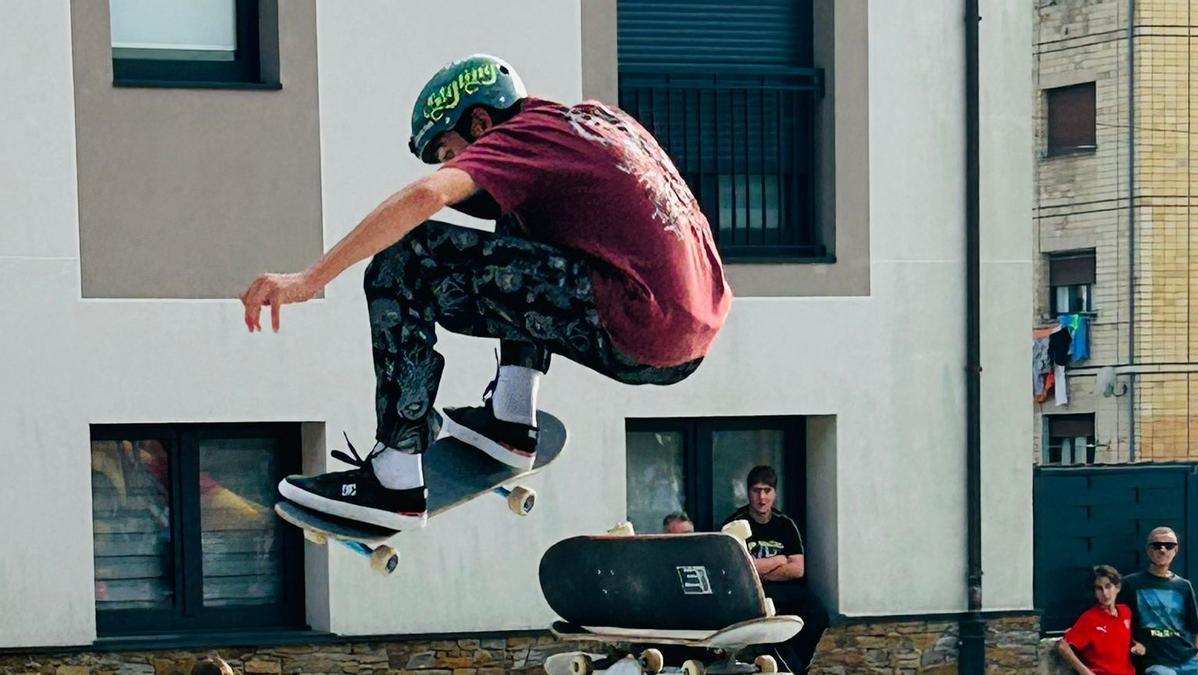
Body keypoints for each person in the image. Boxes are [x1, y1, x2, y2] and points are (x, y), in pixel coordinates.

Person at [239, 54, 732, 529]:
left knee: (404, 259)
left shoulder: (520, 136)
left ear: (480, 121)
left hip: (639, 323)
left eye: (450, 153)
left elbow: (426, 196)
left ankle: (394, 475)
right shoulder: (595, 123)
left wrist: (310, 279)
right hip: (694, 332)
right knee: (514, 203)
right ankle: (513, 416)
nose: (453, 165)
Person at [721, 466, 828, 673]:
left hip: (785, 589)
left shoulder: (785, 524)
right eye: (756, 491)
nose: (762, 498)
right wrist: (779, 560)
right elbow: (737, 570)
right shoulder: (735, 523)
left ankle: (799, 664)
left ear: (775, 493)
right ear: (748, 493)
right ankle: (791, 669)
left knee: (818, 613)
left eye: (767, 491)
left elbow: (797, 569)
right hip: (751, 592)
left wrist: (758, 568)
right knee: (772, 624)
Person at [1119, 527, 1198, 674]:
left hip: (1187, 658)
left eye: (1169, 545)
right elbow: (1115, 622)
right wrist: (1134, 643)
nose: (1163, 550)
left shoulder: (1184, 586)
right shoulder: (1130, 583)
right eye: (1157, 545)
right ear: (1148, 550)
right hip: (1155, 661)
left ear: (1176, 550)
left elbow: (1196, 627)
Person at [1056, 564, 1142, 675]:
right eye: (1099, 588)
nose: (1105, 593)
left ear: (1117, 588)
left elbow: (1120, 636)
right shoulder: (1090, 618)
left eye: (1108, 586)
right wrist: (1085, 672)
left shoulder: (1126, 612)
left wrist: (1136, 645)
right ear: (1095, 593)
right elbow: (1063, 646)